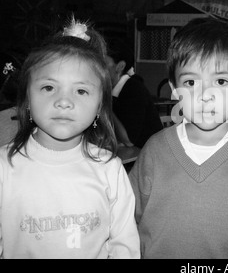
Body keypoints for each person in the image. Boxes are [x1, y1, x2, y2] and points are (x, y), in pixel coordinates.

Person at [128, 17, 228, 259]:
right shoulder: (155, 150)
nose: (205, 95)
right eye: (190, 82)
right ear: (174, 88)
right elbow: (126, 221)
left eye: (221, 81)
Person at [0, 18, 140, 259]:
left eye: (81, 90)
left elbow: (124, 246)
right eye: (48, 87)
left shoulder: (110, 169)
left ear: (99, 106)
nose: (64, 101)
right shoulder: (5, 167)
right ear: (26, 100)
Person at [105, 42, 163, 148]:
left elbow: (129, 141)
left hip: (149, 155)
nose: (100, 69)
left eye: (104, 64)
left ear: (120, 66)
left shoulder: (134, 90)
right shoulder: (113, 89)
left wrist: (105, 107)